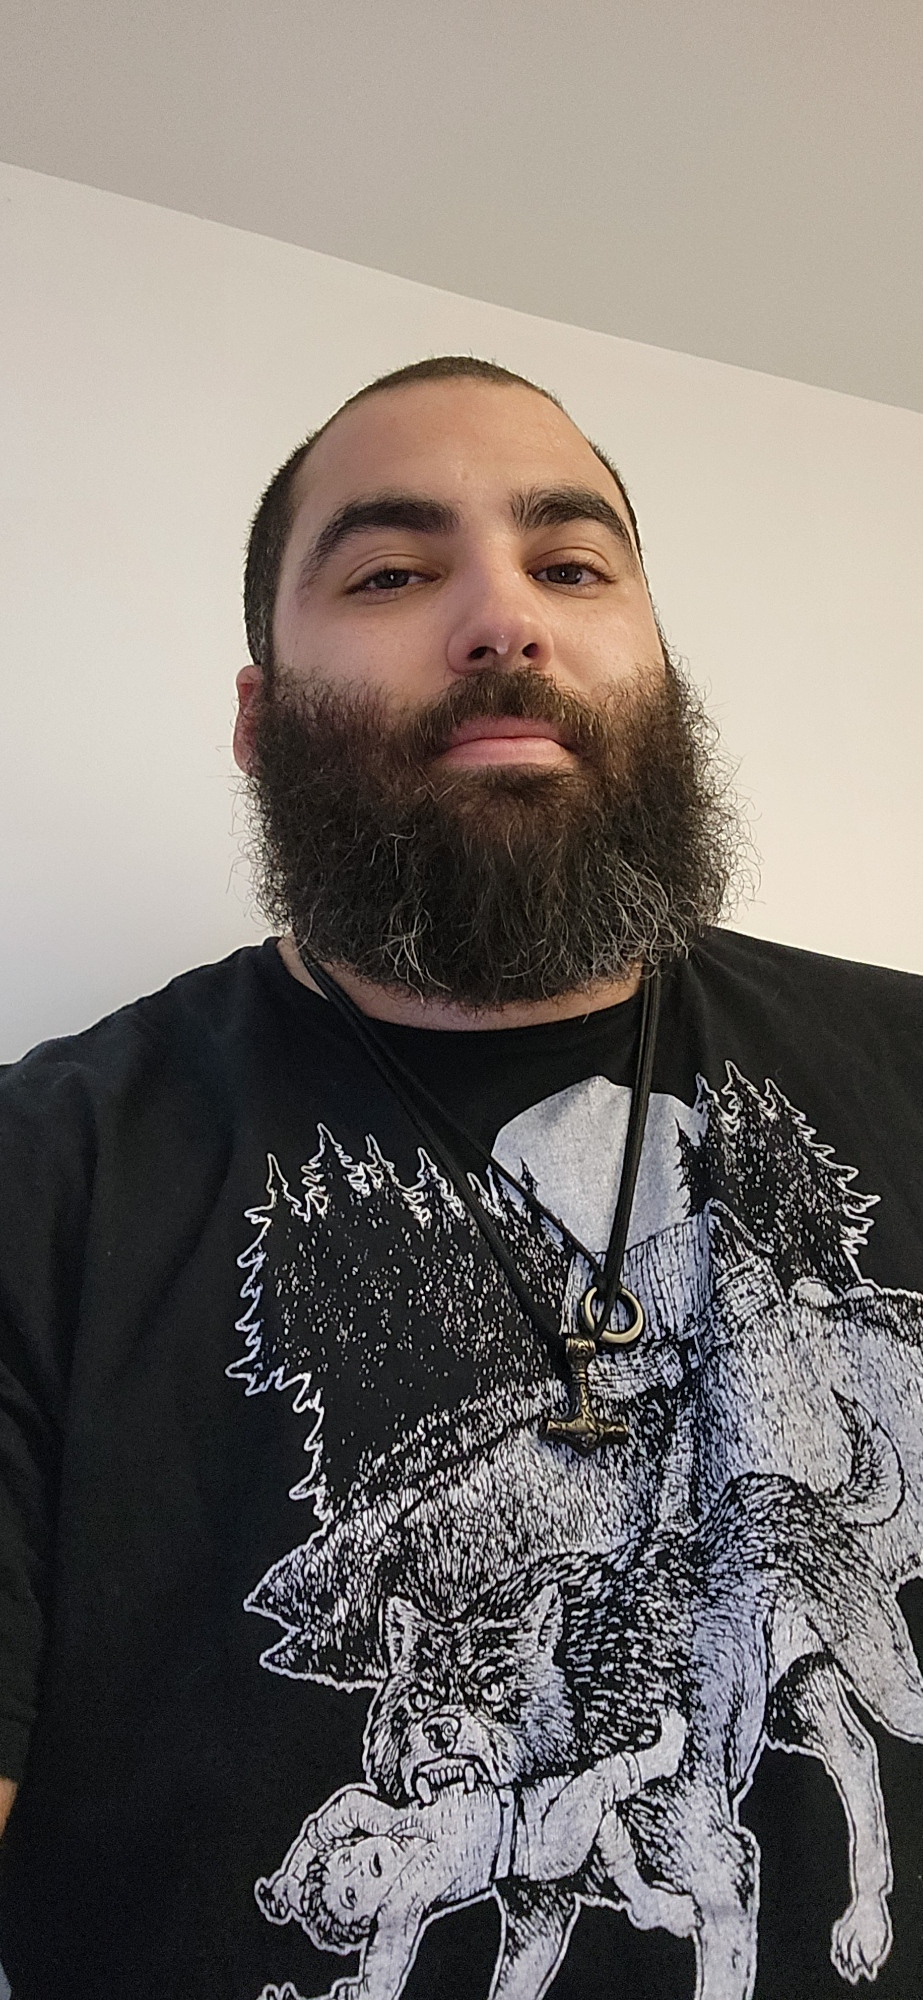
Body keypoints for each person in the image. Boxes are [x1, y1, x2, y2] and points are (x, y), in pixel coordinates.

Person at [0, 354, 920, 2000]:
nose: (502, 618)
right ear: (257, 718)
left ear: (657, 672)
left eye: (570, 566)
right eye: (390, 573)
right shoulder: (40, 1177)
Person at [253, 1707, 688, 2000]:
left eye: (346, 1861)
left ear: (353, 1843)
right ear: (372, 1919)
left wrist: (290, 1876)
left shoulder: (390, 1820)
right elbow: (376, 1989)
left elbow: (338, 1814)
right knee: (597, 1787)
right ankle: (659, 1761)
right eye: (352, 1895)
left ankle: (642, 1900)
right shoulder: (404, 1900)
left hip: (528, 1798)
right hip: (539, 1847)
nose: (358, 1872)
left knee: (605, 1822)